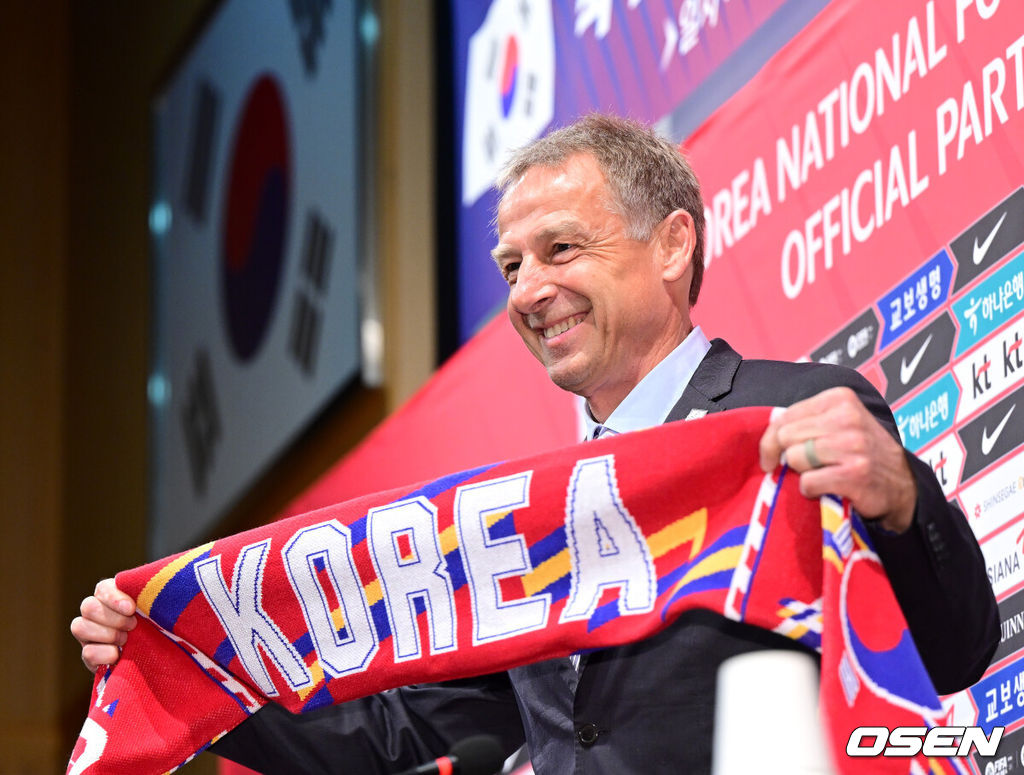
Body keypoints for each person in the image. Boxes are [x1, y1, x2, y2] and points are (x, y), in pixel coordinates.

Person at [72, 114, 999, 774]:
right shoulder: (528, 512)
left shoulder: (799, 411)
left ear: (673, 246)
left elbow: (954, 653)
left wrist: (905, 501)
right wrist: (183, 665)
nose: (526, 291)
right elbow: (389, 739)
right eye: (512, 266)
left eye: (561, 250)